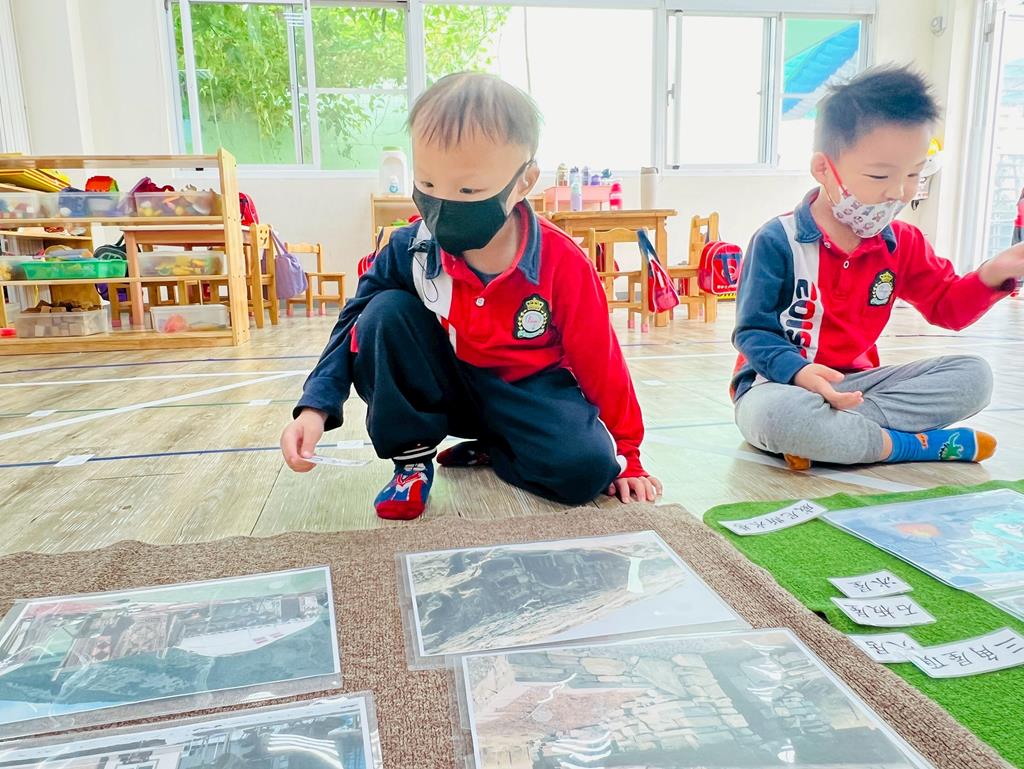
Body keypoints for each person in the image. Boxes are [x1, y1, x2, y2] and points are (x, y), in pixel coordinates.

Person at [281, 72, 661, 519]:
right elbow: (352, 322)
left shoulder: (562, 263)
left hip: (527, 393)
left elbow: (601, 361)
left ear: (524, 182)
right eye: (427, 184)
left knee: (587, 472)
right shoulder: (411, 248)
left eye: (467, 190)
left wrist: (629, 452)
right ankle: (412, 463)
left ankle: (496, 447)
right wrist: (315, 408)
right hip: (448, 388)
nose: (443, 204)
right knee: (383, 312)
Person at [731, 65, 1024, 469]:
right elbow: (753, 332)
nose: (898, 192)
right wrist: (799, 373)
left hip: (861, 387)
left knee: (975, 376)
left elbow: (947, 308)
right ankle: (912, 445)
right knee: (780, 417)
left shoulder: (902, 241)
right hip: (779, 384)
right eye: (879, 175)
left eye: (915, 174)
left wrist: (994, 272)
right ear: (823, 169)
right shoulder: (778, 239)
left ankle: (834, 436)